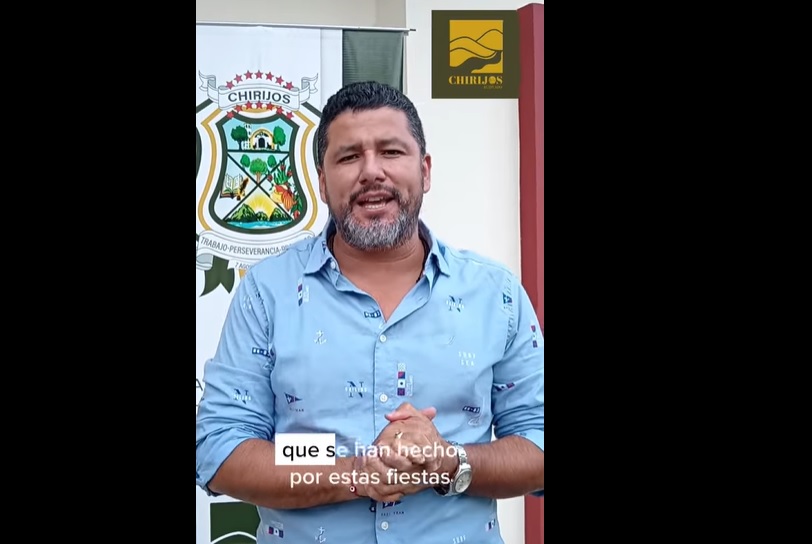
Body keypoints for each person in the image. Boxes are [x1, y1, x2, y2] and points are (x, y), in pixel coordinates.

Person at [196, 80, 544, 543]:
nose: (371, 171)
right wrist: (352, 472)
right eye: (348, 157)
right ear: (322, 183)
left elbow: (537, 442)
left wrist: (449, 461)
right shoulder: (267, 292)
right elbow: (221, 449)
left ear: (425, 170)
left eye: (391, 152)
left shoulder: (495, 293)